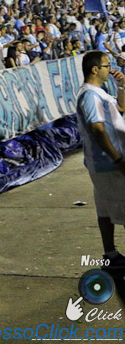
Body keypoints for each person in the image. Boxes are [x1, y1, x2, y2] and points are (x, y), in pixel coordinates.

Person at [76, 51, 125, 267]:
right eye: (107, 66)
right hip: (108, 163)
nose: (110, 69)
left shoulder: (99, 93)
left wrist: (122, 86)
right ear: (95, 69)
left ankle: (111, 255)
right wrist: (118, 159)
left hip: (103, 164)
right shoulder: (90, 96)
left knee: (104, 210)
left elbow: (121, 109)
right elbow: (97, 128)